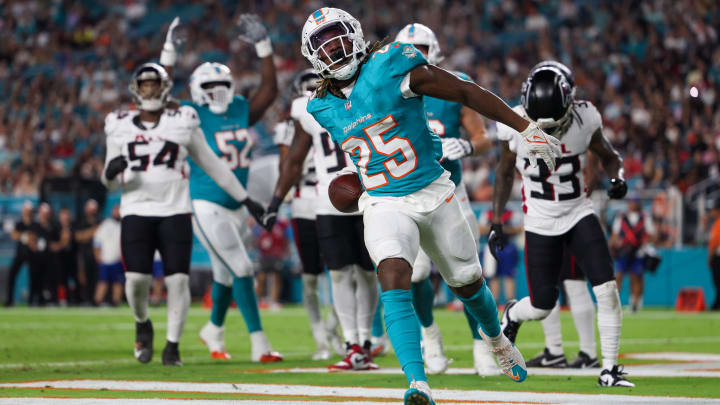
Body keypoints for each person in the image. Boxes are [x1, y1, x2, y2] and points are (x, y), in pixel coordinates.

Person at [266, 8, 562, 403]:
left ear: (354, 34)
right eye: (323, 43)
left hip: (433, 189)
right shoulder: (319, 106)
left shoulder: (390, 63)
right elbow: (363, 152)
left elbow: (463, 91)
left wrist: (523, 126)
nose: (334, 47)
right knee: (393, 275)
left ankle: (497, 340)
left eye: (338, 35)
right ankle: (417, 382)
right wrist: (355, 184)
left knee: (469, 284)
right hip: (383, 201)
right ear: (311, 55)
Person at [101, 62, 265, 366]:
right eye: (145, 85)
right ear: (135, 90)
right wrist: (111, 173)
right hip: (136, 208)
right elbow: (108, 180)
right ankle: (142, 322)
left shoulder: (183, 119)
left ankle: (172, 346)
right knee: (136, 280)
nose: (149, 91)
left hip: (176, 209)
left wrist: (246, 199)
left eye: (154, 85)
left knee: (177, 281)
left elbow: (213, 165)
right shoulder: (118, 123)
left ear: (164, 89)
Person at [491, 61, 633, 387]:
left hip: (578, 212)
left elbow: (610, 156)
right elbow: (503, 172)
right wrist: (497, 220)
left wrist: (618, 176)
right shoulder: (513, 122)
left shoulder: (586, 118)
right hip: (539, 220)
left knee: (606, 288)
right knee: (542, 305)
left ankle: (609, 368)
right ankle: (513, 313)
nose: (548, 132)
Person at [158, 14, 282, 363]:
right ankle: (260, 345)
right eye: (209, 88)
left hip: (237, 205)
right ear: (197, 92)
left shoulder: (240, 109)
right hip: (206, 202)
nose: (217, 93)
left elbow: (270, 91)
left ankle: (213, 329)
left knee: (225, 274)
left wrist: (263, 47)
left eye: (222, 85)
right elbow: (159, 94)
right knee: (242, 269)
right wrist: (168, 53)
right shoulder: (189, 114)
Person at [394, 22, 496, 376]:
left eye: (421, 46)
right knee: (417, 272)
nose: (415, 55)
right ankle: (430, 337)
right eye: (409, 48)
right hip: (407, 195)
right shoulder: (386, 88)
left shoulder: (451, 83)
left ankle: (480, 345)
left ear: (434, 49)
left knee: (466, 272)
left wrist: (467, 146)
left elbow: (483, 136)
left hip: (451, 191)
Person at [267, 66, 380, 371]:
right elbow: (294, 159)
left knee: (368, 272)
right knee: (341, 273)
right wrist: (277, 200)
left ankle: (366, 340)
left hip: (370, 194)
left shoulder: (365, 95)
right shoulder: (307, 108)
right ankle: (351, 342)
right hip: (329, 199)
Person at [273, 69, 344, 361]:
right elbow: (288, 167)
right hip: (305, 204)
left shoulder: (342, 113)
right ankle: (321, 337)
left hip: (336, 201)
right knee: (312, 277)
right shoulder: (291, 126)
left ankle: (335, 330)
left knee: (345, 272)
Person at [525, 250, 600, 369]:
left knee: (573, 280)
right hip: (543, 232)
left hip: (566, 232)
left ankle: (588, 352)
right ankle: (554, 351)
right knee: (545, 279)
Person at [611, 199, 656, 312]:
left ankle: (635, 303)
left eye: (634, 202)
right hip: (623, 251)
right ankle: (613, 302)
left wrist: (645, 241)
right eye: (631, 202)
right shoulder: (621, 216)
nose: (632, 204)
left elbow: (651, 234)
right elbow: (615, 234)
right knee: (619, 276)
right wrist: (614, 245)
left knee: (636, 277)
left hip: (638, 251)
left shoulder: (645, 217)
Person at [4, 201, 34, 307]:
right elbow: (14, 235)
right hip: (20, 253)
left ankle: (32, 301)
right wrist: (25, 237)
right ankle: (10, 300)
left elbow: (33, 239)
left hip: (31, 254)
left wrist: (24, 237)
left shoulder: (34, 224)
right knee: (12, 275)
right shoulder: (19, 224)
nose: (27, 213)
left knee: (33, 277)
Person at [93, 204, 124, 306]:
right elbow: (97, 241)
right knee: (103, 282)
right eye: (115, 210)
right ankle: (97, 302)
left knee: (118, 283)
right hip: (105, 259)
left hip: (118, 259)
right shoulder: (106, 224)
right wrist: (97, 255)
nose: (117, 212)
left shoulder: (124, 225)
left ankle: (116, 302)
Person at [74, 199, 100, 304]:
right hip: (84, 254)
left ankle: (94, 300)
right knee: (84, 277)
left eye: (93, 210)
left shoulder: (100, 221)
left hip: (97, 254)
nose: (92, 212)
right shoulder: (81, 222)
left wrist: (87, 234)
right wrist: (94, 231)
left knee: (97, 278)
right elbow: (79, 237)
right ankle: (85, 299)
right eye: (90, 209)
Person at [54, 208, 78, 306]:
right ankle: (61, 299)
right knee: (61, 280)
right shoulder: (55, 227)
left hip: (72, 257)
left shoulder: (73, 227)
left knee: (74, 280)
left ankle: (75, 299)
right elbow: (53, 244)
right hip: (59, 258)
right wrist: (62, 242)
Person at [709, 199, 720, 310]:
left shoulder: (718, 224)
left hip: (718, 257)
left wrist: (709, 259)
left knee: (717, 281)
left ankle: (717, 304)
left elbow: (714, 244)